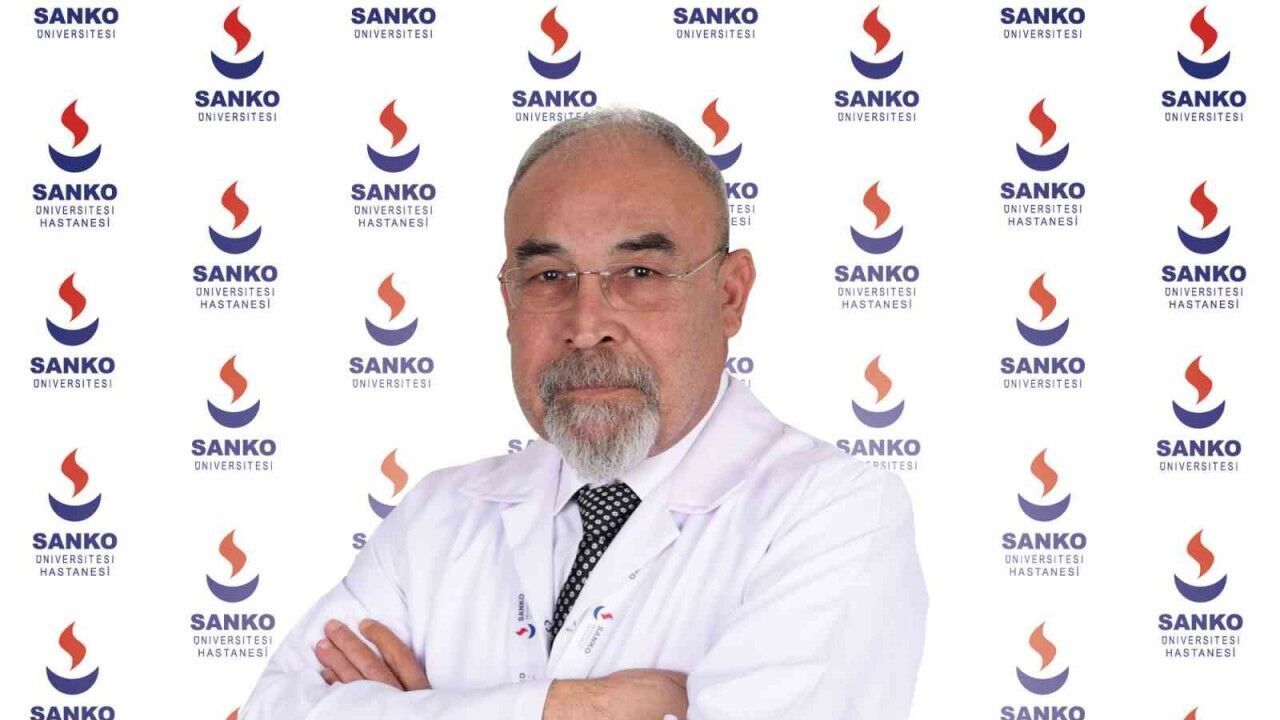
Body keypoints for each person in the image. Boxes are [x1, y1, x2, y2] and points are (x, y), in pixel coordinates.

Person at [239, 107, 928, 720]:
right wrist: (577, 708)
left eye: (640, 274)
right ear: (509, 302)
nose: (587, 324)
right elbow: (271, 709)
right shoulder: (440, 515)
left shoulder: (834, 514)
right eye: (549, 277)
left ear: (729, 296)